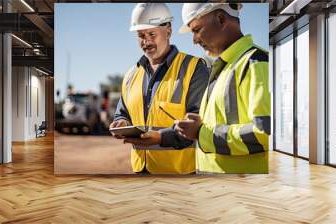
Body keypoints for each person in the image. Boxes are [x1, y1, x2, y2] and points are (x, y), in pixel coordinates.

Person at [110, 3, 209, 174]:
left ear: (168, 30)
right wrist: (122, 123)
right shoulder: (131, 75)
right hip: (141, 171)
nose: (146, 41)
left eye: (151, 34)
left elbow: (199, 124)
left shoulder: (194, 68)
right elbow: (122, 112)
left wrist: (160, 138)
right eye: (141, 35)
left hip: (181, 173)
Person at [175, 3, 271, 173]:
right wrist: (201, 124)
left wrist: (201, 133)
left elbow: (265, 134)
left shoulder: (256, 63)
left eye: (197, 30)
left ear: (220, 19)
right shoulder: (225, 67)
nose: (194, 40)